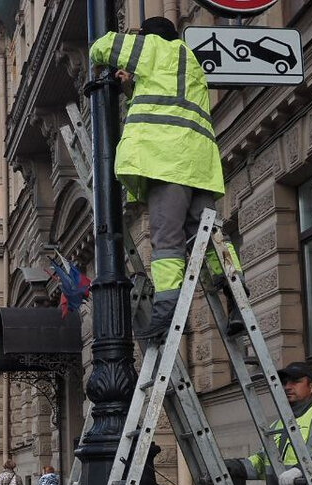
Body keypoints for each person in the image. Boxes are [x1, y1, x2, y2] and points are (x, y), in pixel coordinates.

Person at [89, 17, 244, 341]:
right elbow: (165, 96)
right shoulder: (190, 60)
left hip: (166, 160)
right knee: (209, 236)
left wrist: (114, 69)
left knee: (167, 239)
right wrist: (132, 85)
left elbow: (101, 47)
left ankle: (166, 311)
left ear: (147, 36)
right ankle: (236, 296)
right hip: (198, 164)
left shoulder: (151, 48)